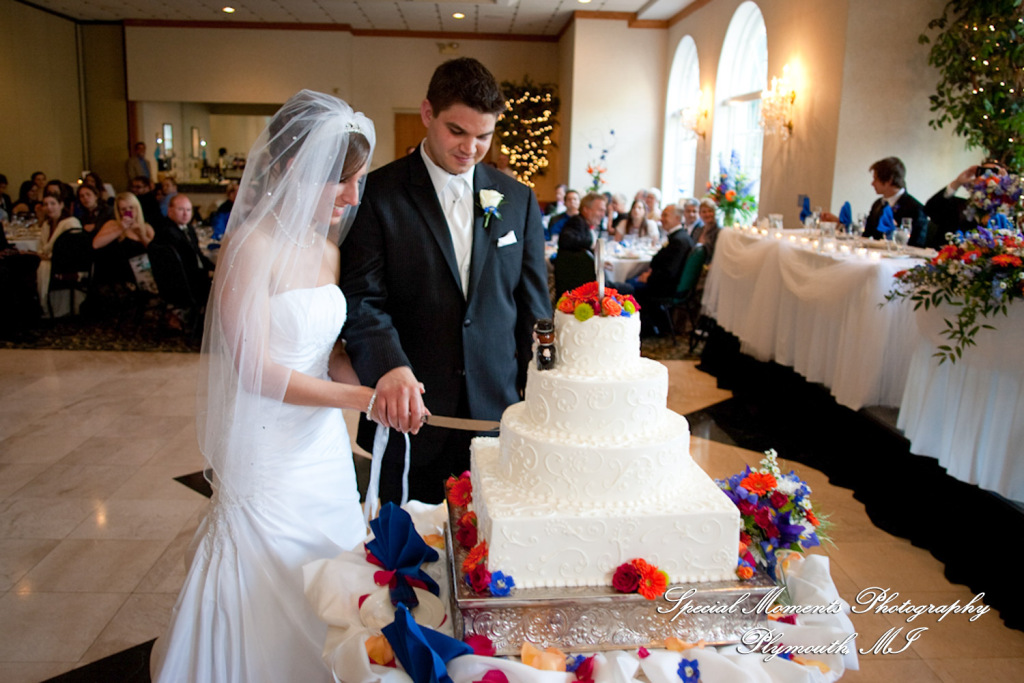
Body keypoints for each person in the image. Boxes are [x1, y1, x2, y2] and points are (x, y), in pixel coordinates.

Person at [150, 90, 377, 683]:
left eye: (358, 180)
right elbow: (255, 368)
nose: (354, 197)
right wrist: (359, 400)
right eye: (341, 181)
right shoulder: (250, 248)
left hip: (319, 444)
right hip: (266, 443)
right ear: (292, 170)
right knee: (264, 569)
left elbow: (328, 355)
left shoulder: (327, 251)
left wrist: (381, 383)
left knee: (330, 564)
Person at [341, 57, 551, 506]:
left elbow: (533, 305)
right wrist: (389, 366)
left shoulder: (518, 199)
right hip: (412, 413)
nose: (470, 148)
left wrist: (542, 388)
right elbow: (361, 300)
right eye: (457, 131)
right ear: (426, 114)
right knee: (407, 555)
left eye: (483, 136)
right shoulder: (377, 195)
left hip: (496, 414)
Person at [924, 158, 1008, 247]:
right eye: (983, 172)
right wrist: (957, 183)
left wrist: (1006, 189)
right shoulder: (957, 206)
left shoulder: (1003, 216)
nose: (988, 178)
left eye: (994, 173)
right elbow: (929, 209)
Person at [630, 203, 696, 308]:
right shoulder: (681, 237)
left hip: (665, 289)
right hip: (665, 284)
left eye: (665, 215)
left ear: (677, 218)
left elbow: (669, 273)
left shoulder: (678, 241)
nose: (661, 219)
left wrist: (649, 278)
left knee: (627, 286)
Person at [152, 193, 216, 301]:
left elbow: (198, 254)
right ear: (170, 210)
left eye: (189, 210)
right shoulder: (167, 232)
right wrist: (208, 274)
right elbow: (184, 265)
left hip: (190, 277)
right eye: (181, 209)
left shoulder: (188, 228)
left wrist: (215, 268)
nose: (186, 214)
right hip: (180, 286)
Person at [92, 192, 154, 289]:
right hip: (119, 273)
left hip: (142, 273)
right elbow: (96, 244)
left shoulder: (146, 228)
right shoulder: (113, 224)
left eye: (131, 208)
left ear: (137, 208)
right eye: (123, 209)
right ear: (119, 211)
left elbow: (155, 251)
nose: (128, 212)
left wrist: (141, 236)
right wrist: (120, 229)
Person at [863, 157, 929, 247]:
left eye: (876, 179)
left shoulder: (916, 209)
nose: (872, 183)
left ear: (889, 180)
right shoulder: (877, 205)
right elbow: (867, 235)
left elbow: (917, 245)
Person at [34, 192, 83, 311]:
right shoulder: (47, 224)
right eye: (46, 204)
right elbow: (42, 247)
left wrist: (50, 257)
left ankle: (44, 306)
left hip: (67, 264)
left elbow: (76, 250)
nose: (49, 207)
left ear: (61, 205)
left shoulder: (71, 223)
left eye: (52, 203)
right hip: (51, 260)